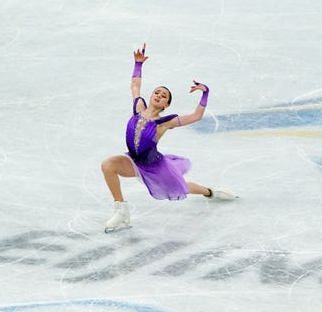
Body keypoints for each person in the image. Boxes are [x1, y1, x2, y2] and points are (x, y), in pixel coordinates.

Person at [100, 43, 235, 232]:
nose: (159, 95)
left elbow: (196, 116)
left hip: (155, 167)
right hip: (133, 160)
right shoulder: (138, 107)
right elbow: (135, 85)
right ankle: (121, 209)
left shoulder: (163, 123)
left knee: (181, 187)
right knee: (108, 165)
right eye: (157, 92)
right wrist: (138, 65)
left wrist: (205, 93)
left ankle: (210, 192)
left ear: (166, 105)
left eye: (163, 96)